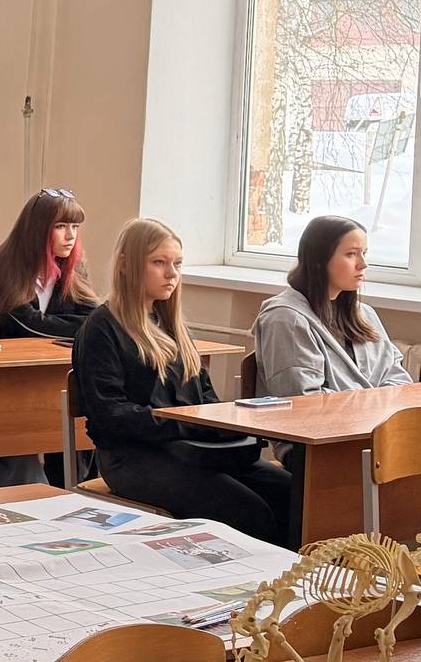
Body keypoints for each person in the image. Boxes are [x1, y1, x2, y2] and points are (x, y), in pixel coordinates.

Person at [74, 219, 294, 545]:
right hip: (133, 457)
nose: (171, 274)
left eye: (177, 264)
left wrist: (228, 420)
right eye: (159, 262)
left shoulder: (173, 326)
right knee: (248, 511)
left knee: (291, 493)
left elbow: (205, 396)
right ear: (126, 265)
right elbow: (111, 414)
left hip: (190, 449)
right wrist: (182, 423)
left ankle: (300, 572)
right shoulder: (102, 328)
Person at [255, 216, 410, 395]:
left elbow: (399, 379)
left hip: (379, 413)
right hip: (326, 415)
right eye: (351, 254)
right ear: (319, 259)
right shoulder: (287, 319)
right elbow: (302, 398)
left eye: (364, 253)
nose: (363, 264)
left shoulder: (365, 314)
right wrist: (372, 401)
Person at [0, 188, 98, 341]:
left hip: (56, 355)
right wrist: (84, 326)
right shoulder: (2, 267)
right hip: (12, 354)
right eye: (60, 226)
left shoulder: (75, 265)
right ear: (37, 230)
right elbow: (30, 326)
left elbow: (94, 316)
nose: (71, 236)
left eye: (75, 226)